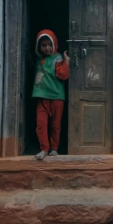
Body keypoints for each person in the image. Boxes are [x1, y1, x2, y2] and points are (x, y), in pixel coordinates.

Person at [32, 29, 70, 160]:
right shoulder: (39, 59)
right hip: (42, 97)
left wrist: (66, 62)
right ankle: (44, 149)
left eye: (50, 44)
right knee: (41, 125)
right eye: (43, 45)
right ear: (39, 47)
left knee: (55, 125)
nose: (47, 48)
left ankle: (54, 149)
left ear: (54, 43)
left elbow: (63, 75)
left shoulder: (58, 58)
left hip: (57, 97)